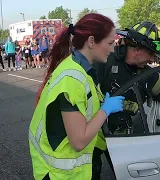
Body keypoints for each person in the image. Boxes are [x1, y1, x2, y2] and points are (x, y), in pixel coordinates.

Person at [28, 13, 125, 180]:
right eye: (110, 43)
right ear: (92, 41)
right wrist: (105, 110)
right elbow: (79, 141)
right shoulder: (72, 79)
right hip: (59, 175)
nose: (112, 49)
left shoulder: (77, 68)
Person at [95, 21, 160, 132]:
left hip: (124, 137)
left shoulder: (146, 73)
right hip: (98, 138)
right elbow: (89, 100)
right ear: (137, 50)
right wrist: (124, 105)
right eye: (151, 54)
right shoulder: (104, 62)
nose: (152, 60)